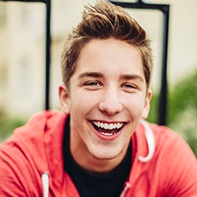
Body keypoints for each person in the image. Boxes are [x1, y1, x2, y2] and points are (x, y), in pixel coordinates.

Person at [0, 1, 197, 197]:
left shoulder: (170, 159)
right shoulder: (18, 165)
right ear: (65, 97)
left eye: (128, 86)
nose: (111, 106)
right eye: (93, 83)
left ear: (146, 102)